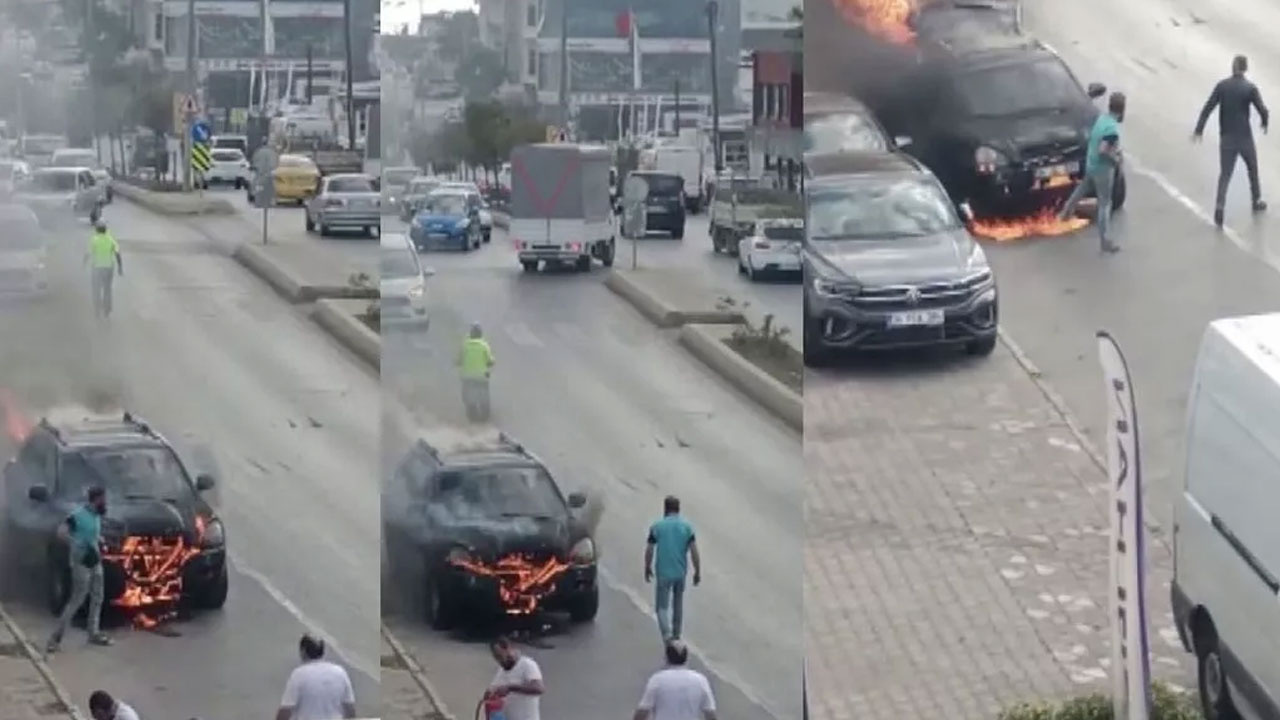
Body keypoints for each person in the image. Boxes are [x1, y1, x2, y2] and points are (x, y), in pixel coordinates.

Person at [1193, 54, 1270, 228]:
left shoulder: (1222, 86)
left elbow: (1208, 107)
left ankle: (1220, 206)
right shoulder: (1250, 88)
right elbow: (1262, 109)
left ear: (1233, 67)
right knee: (1252, 169)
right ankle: (1256, 199)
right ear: (1245, 69)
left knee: (1225, 174)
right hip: (1244, 136)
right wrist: (1265, 122)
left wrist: (1199, 129)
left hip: (1227, 136)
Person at [46, 486, 112, 654]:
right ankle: (56, 637)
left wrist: (100, 540)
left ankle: (93, 632)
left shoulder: (96, 514)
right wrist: (75, 543)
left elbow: (92, 534)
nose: (106, 502)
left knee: (98, 595)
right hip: (81, 560)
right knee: (78, 598)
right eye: (103, 499)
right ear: (96, 499)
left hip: (94, 558)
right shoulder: (78, 515)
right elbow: (61, 532)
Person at [1057, 92, 1126, 253]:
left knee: (1081, 189)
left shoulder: (1102, 119)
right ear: (1122, 109)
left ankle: (1065, 213)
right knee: (1104, 204)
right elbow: (1103, 150)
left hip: (1091, 164)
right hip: (1103, 169)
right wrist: (1115, 161)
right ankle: (1105, 241)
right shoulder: (1112, 129)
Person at [644, 496, 701, 642]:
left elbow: (650, 549)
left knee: (661, 608)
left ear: (665, 509)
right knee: (678, 604)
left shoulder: (657, 527)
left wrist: (647, 566)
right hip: (680, 572)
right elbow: (694, 551)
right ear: (678, 509)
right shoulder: (687, 527)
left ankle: (667, 636)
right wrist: (697, 571)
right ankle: (677, 635)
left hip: (663, 572)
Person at [276, 634, 356, 720]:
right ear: (323, 651)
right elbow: (350, 709)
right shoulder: (340, 672)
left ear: (303, 651)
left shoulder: (299, 675)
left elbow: (286, 711)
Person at [633, 640, 718, 720]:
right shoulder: (700, 681)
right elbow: (710, 714)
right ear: (686, 658)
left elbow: (643, 712)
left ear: (666, 658)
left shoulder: (657, 680)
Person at [487, 636, 544, 720]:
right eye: (496, 658)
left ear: (509, 649)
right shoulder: (501, 671)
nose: (499, 661)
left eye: (500, 656)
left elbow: (539, 688)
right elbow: (492, 691)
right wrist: (489, 694)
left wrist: (511, 688)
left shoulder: (527, 665)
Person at [457, 322, 495, 422]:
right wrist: (491, 363)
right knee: (485, 396)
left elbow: (459, 360)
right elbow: (490, 361)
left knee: (466, 396)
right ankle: (485, 414)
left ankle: (472, 415)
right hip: (482, 377)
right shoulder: (484, 345)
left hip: (467, 377)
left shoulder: (465, 345)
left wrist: (458, 363)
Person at [85, 220, 122, 318]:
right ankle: (107, 309)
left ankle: (97, 309)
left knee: (96, 289)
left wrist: (83, 265)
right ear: (105, 230)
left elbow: (88, 254)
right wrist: (120, 267)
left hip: (97, 268)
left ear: (96, 230)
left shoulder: (94, 240)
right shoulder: (110, 239)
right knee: (107, 289)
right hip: (108, 268)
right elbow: (117, 253)